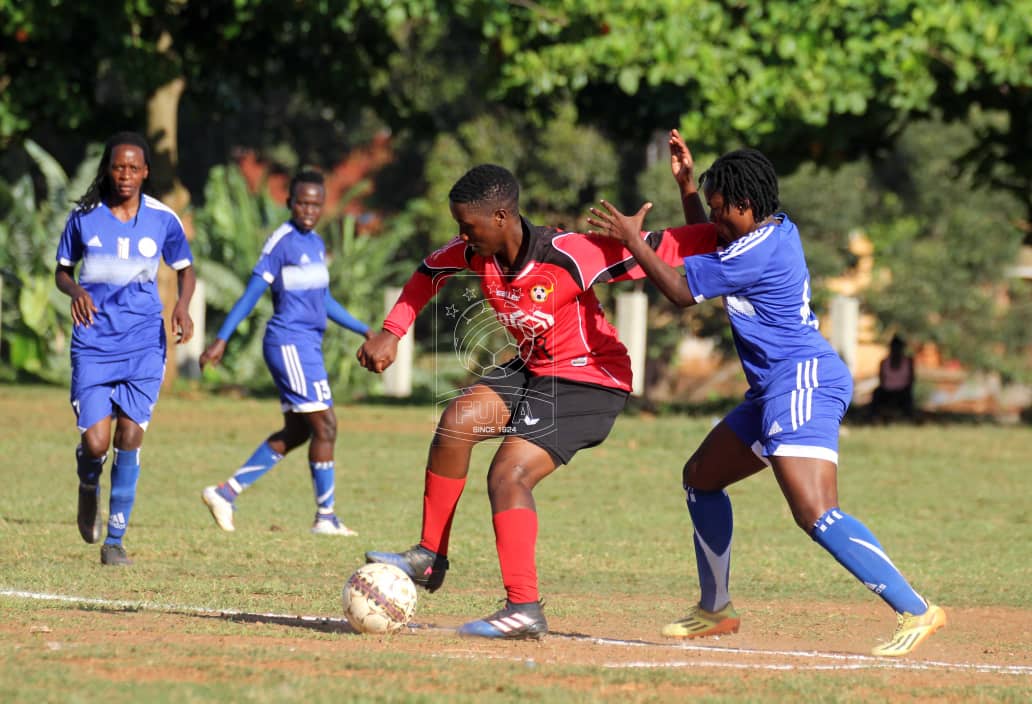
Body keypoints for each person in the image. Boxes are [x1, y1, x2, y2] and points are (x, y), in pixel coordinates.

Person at [586, 146, 945, 657]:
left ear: (747, 205)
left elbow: (682, 290)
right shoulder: (765, 230)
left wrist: (630, 240)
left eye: (719, 208)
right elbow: (707, 247)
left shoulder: (755, 250)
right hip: (774, 389)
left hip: (803, 382)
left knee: (816, 513)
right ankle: (716, 610)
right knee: (701, 480)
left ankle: (916, 608)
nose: (713, 218)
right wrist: (687, 188)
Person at [357, 139, 716, 640]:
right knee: (456, 422)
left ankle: (523, 608)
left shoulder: (571, 254)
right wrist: (391, 331)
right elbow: (426, 273)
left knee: (509, 475)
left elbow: (693, 242)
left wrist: (685, 190)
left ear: (502, 216)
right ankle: (429, 557)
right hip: (533, 369)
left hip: (591, 380)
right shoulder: (472, 253)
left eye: (469, 225)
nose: (461, 235)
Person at [199, 170, 370, 536]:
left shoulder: (315, 243)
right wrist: (222, 338)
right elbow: (250, 294)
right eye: (302, 202)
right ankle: (325, 518)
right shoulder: (282, 242)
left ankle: (225, 493)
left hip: (307, 345)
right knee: (326, 425)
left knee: (298, 431)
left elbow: (322, 299)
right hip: (288, 342)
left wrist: (364, 329)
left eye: (316, 203)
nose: (309, 209)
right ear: (290, 203)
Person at [56, 131, 196, 566]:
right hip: (95, 342)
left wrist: (183, 308)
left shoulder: (162, 218)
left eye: (134, 168)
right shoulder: (84, 216)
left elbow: (186, 269)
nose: (126, 175)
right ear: (108, 169)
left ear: (146, 172)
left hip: (143, 344)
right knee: (98, 443)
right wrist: (75, 290)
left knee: (130, 435)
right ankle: (87, 482)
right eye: (119, 167)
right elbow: (61, 270)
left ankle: (115, 540)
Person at [870, 334, 915, 422]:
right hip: (887, 391)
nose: (896, 350)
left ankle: (909, 418)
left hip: (903, 391)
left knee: (908, 396)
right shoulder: (884, 362)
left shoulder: (908, 362)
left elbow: (911, 379)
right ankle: (872, 418)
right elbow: (881, 380)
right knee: (876, 393)